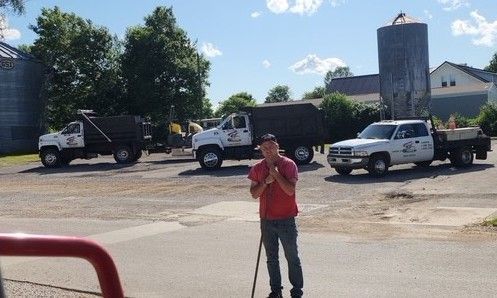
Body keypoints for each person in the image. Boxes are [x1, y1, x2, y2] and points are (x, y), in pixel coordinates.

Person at [248, 133, 304, 298]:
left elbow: (290, 190)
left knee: (292, 256)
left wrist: (276, 174)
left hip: (286, 219)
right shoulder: (257, 168)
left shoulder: (289, 164)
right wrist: (265, 181)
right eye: (264, 148)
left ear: (277, 146)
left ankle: (296, 291)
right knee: (271, 258)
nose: (268, 151)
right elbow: (254, 194)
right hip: (266, 220)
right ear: (261, 150)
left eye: (271, 146)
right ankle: (276, 291)